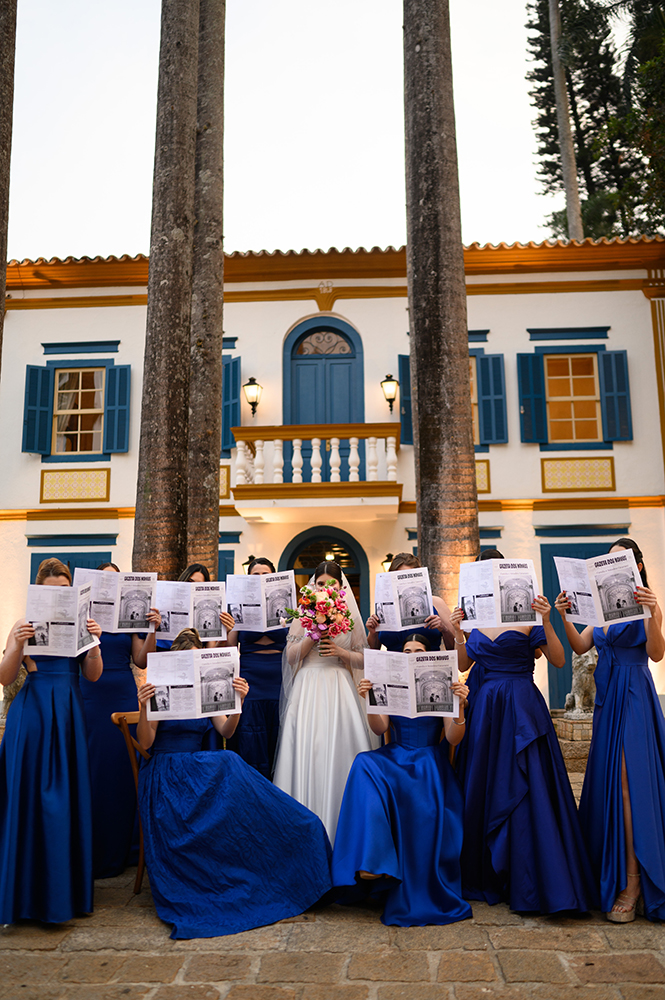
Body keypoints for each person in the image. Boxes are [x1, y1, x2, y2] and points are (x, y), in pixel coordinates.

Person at [136, 628, 332, 939]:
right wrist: (145, 706)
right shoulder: (160, 686)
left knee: (231, 763)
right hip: (167, 771)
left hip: (199, 768)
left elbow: (226, 732)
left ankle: (297, 837)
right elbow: (145, 744)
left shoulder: (205, 686)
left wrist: (238, 701)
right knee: (228, 763)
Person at [452, 550, 595, 914]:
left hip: (521, 704)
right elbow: (464, 662)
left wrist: (547, 619)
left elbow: (561, 660)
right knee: (486, 783)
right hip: (486, 707)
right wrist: (457, 631)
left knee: (528, 787)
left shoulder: (529, 612)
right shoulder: (474, 615)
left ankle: (532, 878)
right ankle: (488, 873)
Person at [555, 537, 665, 922]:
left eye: (622, 559)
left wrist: (654, 614)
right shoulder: (601, 609)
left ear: (636, 564)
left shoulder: (646, 604)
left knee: (628, 785)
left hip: (634, 693)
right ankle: (615, 872)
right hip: (606, 700)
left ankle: (634, 882)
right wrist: (566, 616)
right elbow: (581, 647)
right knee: (609, 787)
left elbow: (656, 653)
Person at [332, 634, 472, 926]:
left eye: (418, 651)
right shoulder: (389, 680)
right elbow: (380, 727)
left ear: (427, 654)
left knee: (410, 790)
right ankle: (371, 862)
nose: (410, 654)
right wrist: (371, 701)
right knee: (364, 763)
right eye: (406, 650)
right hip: (395, 755)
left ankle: (395, 873)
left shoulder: (442, 681)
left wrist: (458, 706)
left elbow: (453, 738)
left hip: (428, 762)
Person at [0, 558, 103, 924]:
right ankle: (25, 899)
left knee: (65, 802)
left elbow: (92, 676)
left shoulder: (82, 624)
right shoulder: (21, 625)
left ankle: (64, 897)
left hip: (70, 711)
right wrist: (16, 645)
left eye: (65, 590)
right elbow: (5, 677)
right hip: (34, 713)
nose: (60, 595)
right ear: (38, 590)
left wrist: (94, 644)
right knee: (29, 801)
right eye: (52, 590)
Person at [273, 560, 375, 843]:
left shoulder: (348, 616)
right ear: (313, 586)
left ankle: (345, 833)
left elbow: (364, 656)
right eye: (321, 584)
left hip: (339, 687)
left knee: (340, 750)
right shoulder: (302, 613)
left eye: (332, 585)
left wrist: (340, 654)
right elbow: (291, 656)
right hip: (309, 686)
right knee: (308, 750)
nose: (326, 589)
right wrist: (312, 635)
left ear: (341, 588)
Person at [79, 562, 162, 879]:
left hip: (124, 694)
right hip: (91, 695)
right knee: (97, 771)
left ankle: (128, 850)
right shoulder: (84, 616)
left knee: (125, 771)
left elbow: (141, 659)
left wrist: (152, 628)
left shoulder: (129, 616)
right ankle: (97, 850)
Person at [223, 557, 288, 778]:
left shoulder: (288, 604)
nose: (260, 579)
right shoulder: (237, 604)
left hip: (279, 679)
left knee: (278, 741)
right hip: (250, 680)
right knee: (250, 742)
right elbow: (231, 648)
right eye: (255, 575)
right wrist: (230, 626)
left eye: (265, 575)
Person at [365, 553, 454, 652]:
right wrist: (373, 632)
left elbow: (456, 647)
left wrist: (443, 629)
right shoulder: (385, 606)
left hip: (428, 663)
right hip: (394, 665)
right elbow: (373, 650)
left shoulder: (436, 603)